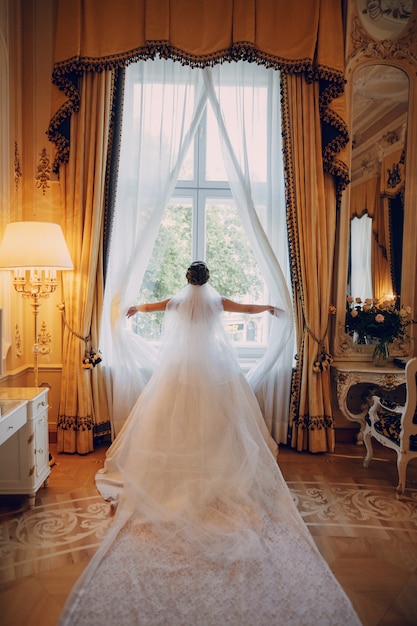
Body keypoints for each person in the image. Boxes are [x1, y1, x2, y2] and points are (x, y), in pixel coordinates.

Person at [58, 262, 361, 626]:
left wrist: (134, 309)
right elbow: (246, 309)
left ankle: (182, 461)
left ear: (188, 279)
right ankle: (217, 461)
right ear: (208, 279)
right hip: (213, 368)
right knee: (221, 419)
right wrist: (267, 308)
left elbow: (153, 306)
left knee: (176, 416)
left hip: (180, 367)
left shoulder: (179, 301)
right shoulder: (217, 302)